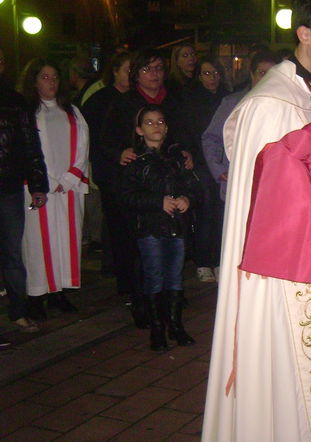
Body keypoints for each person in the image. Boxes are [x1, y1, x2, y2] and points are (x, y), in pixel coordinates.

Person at [202, 1, 311, 440]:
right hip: (287, 265)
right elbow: (271, 200)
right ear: (305, 34)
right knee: (291, 362)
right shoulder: (270, 103)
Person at [101, 48, 193, 327]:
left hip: (169, 180)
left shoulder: (174, 99)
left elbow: (184, 132)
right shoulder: (123, 103)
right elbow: (104, 139)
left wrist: (186, 151)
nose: (154, 75)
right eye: (147, 69)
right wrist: (119, 152)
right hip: (137, 184)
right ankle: (141, 299)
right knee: (138, 247)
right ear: (136, 74)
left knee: (172, 245)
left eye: (158, 69)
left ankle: (169, 297)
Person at [119, 104, 202, 351]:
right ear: (139, 129)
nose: (157, 127)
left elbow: (194, 186)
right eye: (150, 122)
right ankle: (157, 328)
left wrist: (187, 199)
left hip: (176, 226)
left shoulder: (176, 157)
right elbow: (125, 196)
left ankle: (175, 325)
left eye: (161, 122)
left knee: (175, 276)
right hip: (150, 227)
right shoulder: (135, 161)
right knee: (154, 275)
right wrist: (157, 202)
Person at [18, 59, 89, 318]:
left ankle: (59, 291)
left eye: (55, 77)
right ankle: (37, 294)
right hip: (39, 188)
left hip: (66, 188)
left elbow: (83, 143)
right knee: (37, 243)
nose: (51, 82)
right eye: (45, 77)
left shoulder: (72, 111)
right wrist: (45, 179)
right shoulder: (27, 112)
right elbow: (27, 148)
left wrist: (70, 177)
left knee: (65, 240)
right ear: (34, 80)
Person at [0, 48, 49, 334]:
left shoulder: (15, 101)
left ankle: (18, 310)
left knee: (12, 253)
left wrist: (37, 184)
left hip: (8, 187)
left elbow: (31, 144)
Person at [82, 52, 134, 301]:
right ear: (115, 71)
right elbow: (92, 137)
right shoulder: (101, 99)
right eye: (127, 70)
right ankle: (117, 270)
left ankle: (123, 268)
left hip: (132, 173)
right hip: (110, 171)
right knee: (115, 221)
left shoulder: (134, 99)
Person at [201, 49, 281, 201]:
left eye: (272, 74)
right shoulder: (233, 103)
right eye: (262, 73)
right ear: (252, 74)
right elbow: (211, 138)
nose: (267, 79)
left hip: (271, 186)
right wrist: (220, 170)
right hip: (238, 186)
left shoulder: (285, 107)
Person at [180, 56, 230, 283]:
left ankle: (219, 260)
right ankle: (202, 261)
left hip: (223, 163)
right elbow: (191, 133)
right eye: (207, 73)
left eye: (216, 73)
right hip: (200, 163)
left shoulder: (226, 98)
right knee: (206, 209)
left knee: (222, 212)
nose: (212, 78)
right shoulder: (191, 99)